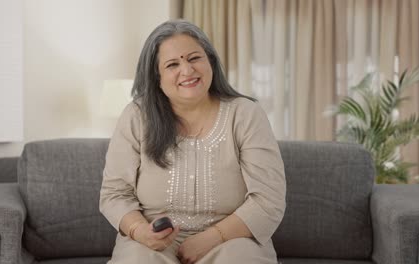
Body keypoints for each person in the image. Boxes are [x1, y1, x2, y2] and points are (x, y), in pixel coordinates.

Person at [99, 19, 286, 264]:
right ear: (157, 76)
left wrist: (211, 238)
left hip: (232, 238)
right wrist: (140, 231)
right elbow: (114, 194)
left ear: (210, 61)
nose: (187, 70)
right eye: (172, 64)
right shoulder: (136, 116)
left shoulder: (246, 114)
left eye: (194, 58)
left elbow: (268, 199)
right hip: (151, 243)